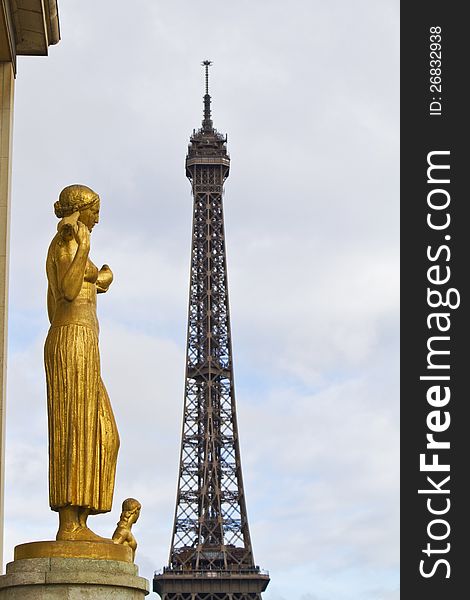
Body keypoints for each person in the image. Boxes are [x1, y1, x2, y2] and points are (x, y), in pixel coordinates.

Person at [44, 184, 119, 541]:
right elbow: (70, 290)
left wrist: (101, 275)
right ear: (82, 210)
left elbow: (92, 282)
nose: (99, 217)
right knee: (74, 428)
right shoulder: (65, 243)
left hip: (86, 343)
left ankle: (82, 518)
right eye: (95, 210)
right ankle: (70, 524)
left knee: (105, 434)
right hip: (71, 340)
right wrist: (86, 249)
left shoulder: (73, 247)